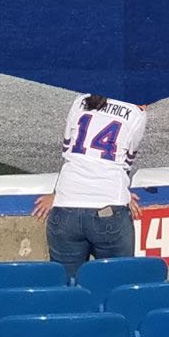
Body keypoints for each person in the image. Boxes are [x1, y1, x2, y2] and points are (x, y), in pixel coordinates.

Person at [33, 92, 146, 278]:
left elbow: (69, 152)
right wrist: (122, 192)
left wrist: (58, 193)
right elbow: (126, 162)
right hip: (109, 207)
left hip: (65, 205)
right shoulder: (136, 113)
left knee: (66, 288)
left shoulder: (81, 101)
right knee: (116, 283)